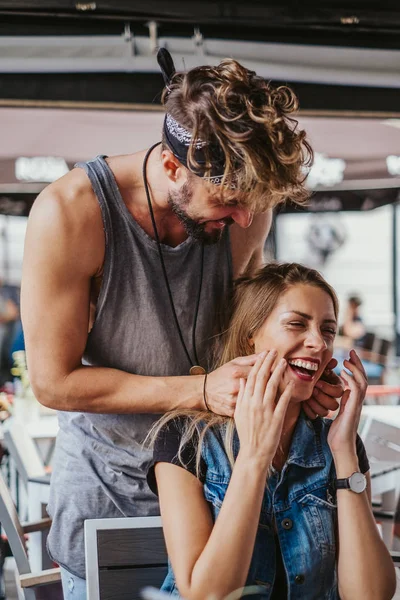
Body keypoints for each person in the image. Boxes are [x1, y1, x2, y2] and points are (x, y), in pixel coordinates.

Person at [21, 51, 341, 597]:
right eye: (230, 202)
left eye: (254, 205)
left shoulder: (247, 207)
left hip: (226, 492)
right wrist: (200, 389)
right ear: (173, 168)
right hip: (113, 500)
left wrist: (293, 383)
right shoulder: (71, 212)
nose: (246, 219)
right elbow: (53, 383)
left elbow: (247, 329)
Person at [147, 262, 396, 600]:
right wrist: (254, 456)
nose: (318, 344)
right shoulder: (186, 438)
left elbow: (370, 595)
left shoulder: (337, 444)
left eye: (327, 330)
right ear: (251, 336)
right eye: (296, 324)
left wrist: (344, 451)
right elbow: (208, 595)